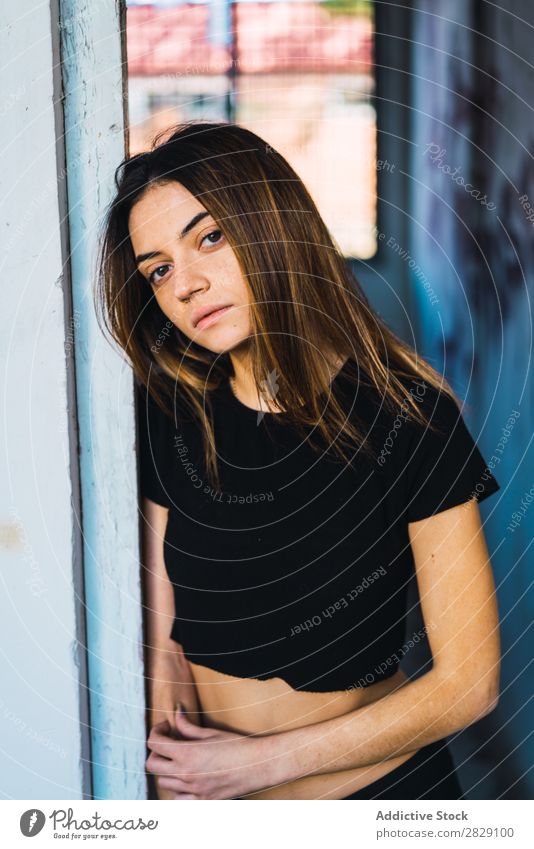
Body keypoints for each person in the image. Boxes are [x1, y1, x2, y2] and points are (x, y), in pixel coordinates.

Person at [95, 120, 501, 800]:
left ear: (273, 225)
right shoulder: (170, 411)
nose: (186, 284)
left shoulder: (411, 416)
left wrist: (259, 763)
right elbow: (163, 636)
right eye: (159, 269)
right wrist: (173, 794)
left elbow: (470, 682)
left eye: (210, 237)